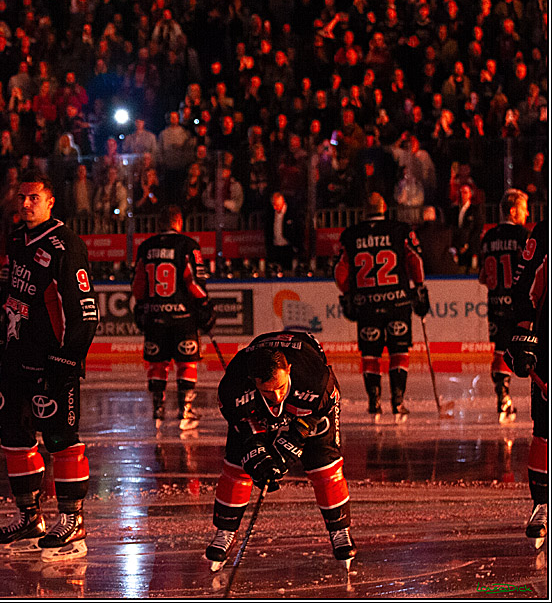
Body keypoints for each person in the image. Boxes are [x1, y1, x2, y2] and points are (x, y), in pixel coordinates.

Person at [0, 170, 99, 561]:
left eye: (34, 198)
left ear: (51, 202)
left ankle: (73, 521)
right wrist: (0, 333)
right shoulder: (17, 239)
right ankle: (29, 517)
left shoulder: (66, 244)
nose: (25, 203)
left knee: (59, 439)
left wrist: (67, 358)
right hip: (18, 359)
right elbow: (9, 293)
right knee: (14, 436)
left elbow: (85, 311)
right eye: (21, 197)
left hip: (52, 362)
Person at [205, 331, 356, 570]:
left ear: (289, 370)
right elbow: (245, 431)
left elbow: (316, 414)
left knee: (324, 464)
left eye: (280, 387)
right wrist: (258, 457)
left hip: (311, 409)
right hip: (256, 410)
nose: (275, 396)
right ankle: (224, 532)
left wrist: (292, 443)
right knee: (237, 465)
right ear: (253, 381)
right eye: (267, 391)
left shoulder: (317, 380)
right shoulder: (233, 388)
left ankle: (340, 532)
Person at [334, 192, 429, 422]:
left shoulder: (350, 235)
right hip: (398, 302)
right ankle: (398, 402)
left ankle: (374, 402)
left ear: (364, 210)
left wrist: (347, 294)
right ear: (385, 206)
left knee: (370, 354)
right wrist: (419, 288)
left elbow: (340, 271)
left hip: (366, 304)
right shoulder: (401, 230)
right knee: (399, 351)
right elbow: (415, 261)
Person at [131, 205, 214, 430]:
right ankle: (185, 413)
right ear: (179, 222)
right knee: (186, 362)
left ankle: (158, 411)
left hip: (154, 316)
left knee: (157, 363)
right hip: (183, 317)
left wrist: (140, 305)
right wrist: (204, 304)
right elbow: (194, 282)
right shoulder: (188, 245)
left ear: (159, 223)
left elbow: (138, 284)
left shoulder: (145, 247)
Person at [505, 221, 548, 549]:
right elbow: (524, 287)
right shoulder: (545, 228)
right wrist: (522, 330)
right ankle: (542, 504)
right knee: (545, 430)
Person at [477, 190, 530, 423]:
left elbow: (482, 276)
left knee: (500, 349)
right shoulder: (522, 235)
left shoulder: (488, 238)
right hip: (519, 304)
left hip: (496, 303)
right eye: (523, 207)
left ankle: (503, 397)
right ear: (512, 210)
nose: (527, 212)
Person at [449, 184, 484, 270]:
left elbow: (477, 229)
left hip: (471, 248)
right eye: (460, 192)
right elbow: (452, 228)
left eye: (465, 192)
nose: (462, 195)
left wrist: (466, 244)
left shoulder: (475, 210)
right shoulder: (454, 210)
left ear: (469, 194)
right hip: (458, 248)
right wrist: (457, 246)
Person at [265, 192, 300, 272]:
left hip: (288, 247)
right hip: (275, 247)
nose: (275, 207)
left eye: (277, 205)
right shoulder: (271, 213)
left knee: (288, 271)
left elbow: (298, 230)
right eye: (274, 204)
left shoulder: (292, 213)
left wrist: (296, 246)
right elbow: (268, 231)